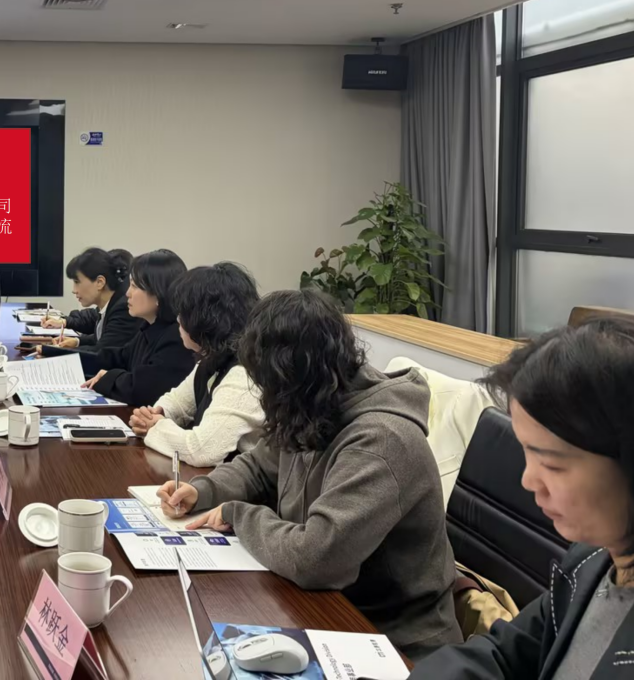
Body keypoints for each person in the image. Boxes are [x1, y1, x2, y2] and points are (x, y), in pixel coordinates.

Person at [158, 290, 461, 660]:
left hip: (395, 642)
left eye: (269, 384)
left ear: (299, 378)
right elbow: (259, 466)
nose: (265, 395)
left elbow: (316, 558)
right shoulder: (314, 404)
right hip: (326, 609)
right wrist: (203, 490)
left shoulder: (381, 441)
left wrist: (239, 515)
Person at [410, 315, 634, 679]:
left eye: (553, 464)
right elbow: (504, 652)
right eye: (526, 452)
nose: (529, 481)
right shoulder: (590, 560)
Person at [130, 263, 264, 467]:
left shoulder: (244, 374)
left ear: (205, 320)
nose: (178, 320)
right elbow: (177, 401)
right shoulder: (213, 359)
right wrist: (156, 414)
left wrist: (155, 427)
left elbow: (202, 451)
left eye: (183, 313)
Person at [77, 249, 193, 407]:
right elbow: (118, 357)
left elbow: (142, 389)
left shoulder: (177, 337)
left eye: (134, 286)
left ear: (158, 294)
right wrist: (63, 358)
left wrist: (109, 377)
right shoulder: (150, 327)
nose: (127, 293)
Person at [37, 247, 141, 356]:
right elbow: (100, 337)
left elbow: (101, 354)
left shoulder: (123, 308)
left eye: (77, 282)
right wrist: (77, 341)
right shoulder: (110, 304)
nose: (74, 290)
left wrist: (50, 350)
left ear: (100, 282)